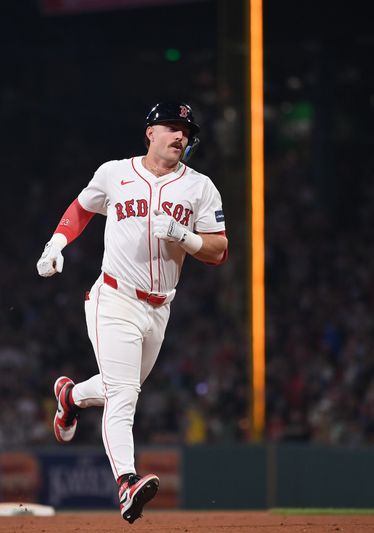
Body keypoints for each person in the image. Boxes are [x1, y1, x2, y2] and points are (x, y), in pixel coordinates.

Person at [36, 102, 228, 523]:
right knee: (124, 396)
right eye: (172, 127)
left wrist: (185, 236)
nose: (180, 135)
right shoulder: (115, 173)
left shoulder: (200, 187)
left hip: (160, 308)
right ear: (150, 132)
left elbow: (219, 250)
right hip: (115, 298)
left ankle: (70, 396)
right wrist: (56, 243)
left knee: (116, 388)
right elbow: (83, 207)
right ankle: (126, 482)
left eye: (186, 130)